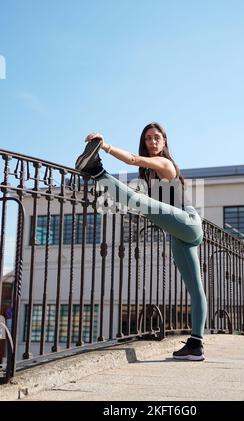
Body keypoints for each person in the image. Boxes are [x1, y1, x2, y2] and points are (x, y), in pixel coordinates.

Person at [75, 122, 207, 361]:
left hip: (188, 223)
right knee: (195, 288)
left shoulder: (166, 164)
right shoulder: (148, 176)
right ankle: (196, 345)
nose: (153, 142)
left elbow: (133, 160)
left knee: (137, 202)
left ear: (165, 142)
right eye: (148, 138)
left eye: (157, 138)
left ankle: (96, 171)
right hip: (179, 233)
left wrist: (103, 146)